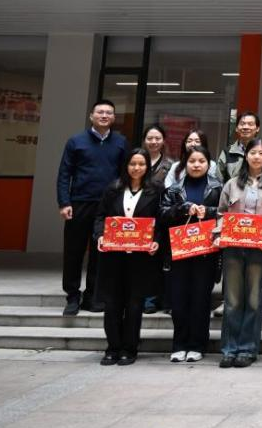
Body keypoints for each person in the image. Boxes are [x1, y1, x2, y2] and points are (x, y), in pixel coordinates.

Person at [57, 99, 128, 316]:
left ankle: (93, 296)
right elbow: (64, 174)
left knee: (101, 253)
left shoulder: (121, 142)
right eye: (100, 112)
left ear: (114, 117)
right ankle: (72, 295)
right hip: (79, 203)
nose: (104, 115)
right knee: (74, 252)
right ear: (91, 116)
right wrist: (64, 202)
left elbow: (125, 175)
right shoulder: (76, 141)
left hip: (108, 207)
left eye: (109, 112)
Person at [215, 138, 262, 368]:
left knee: (254, 300)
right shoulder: (232, 184)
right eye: (253, 152)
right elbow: (222, 213)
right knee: (232, 301)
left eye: (261, 153)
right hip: (233, 248)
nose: (256, 157)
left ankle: (247, 349)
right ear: (246, 156)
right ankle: (229, 349)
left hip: (259, 249)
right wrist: (219, 234)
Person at [92, 147, 162, 366]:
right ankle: (112, 347)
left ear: (147, 167)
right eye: (133, 164)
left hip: (140, 258)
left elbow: (160, 221)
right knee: (112, 303)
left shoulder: (156, 191)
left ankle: (129, 348)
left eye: (141, 164)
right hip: (113, 256)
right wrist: (100, 236)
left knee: (134, 304)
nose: (136, 168)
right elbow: (100, 217)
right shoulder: (113, 189)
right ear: (126, 166)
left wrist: (156, 241)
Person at [160, 145, 221, 363]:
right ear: (185, 163)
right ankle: (179, 345)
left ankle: (197, 345)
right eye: (192, 161)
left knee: (200, 300)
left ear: (208, 164)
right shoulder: (173, 190)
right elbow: (162, 214)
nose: (196, 165)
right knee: (178, 300)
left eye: (201, 161)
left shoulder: (218, 188)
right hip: (180, 252)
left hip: (206, 253)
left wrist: (209, 212)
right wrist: (183, 209)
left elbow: (226, 214)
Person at [141, 123, 173, 314]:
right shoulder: (137, 160)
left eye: (157, 138)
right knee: (141, 259)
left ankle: (155, 298)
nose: (153, 142)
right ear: (144, 140)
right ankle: (141, 297)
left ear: (163, 141)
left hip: (161, 216)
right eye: (150, 138)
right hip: (139, 216)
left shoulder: (170, 165)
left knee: (159, 258)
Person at [218, 112, 261, 183]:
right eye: (242, 124)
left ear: (257, 129)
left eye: (250, 124)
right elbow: (218, 180)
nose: (246, 127)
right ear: (236, 128)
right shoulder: (227, 152)